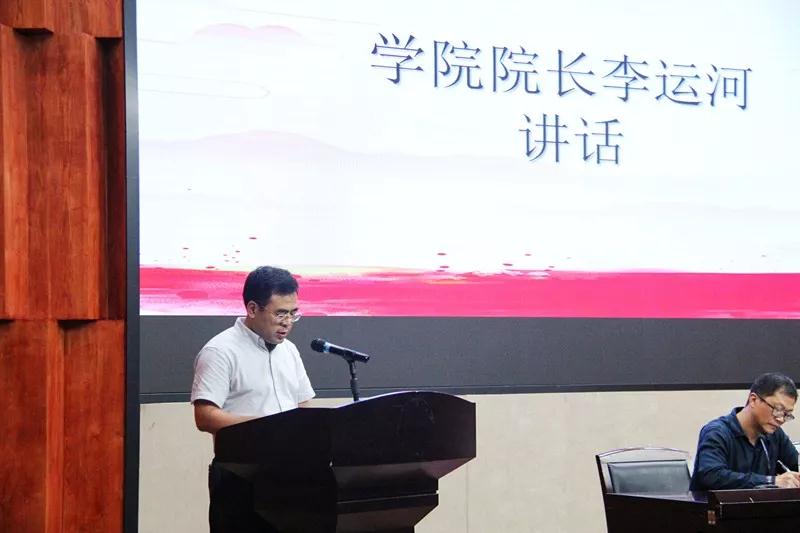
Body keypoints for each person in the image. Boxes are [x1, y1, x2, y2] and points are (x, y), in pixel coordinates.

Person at [191, 265, 315, 531]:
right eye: (280, 313)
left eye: (294, 313)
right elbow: (204, 416)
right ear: (252, 308)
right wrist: (267, 426)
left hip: (290, 475)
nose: (288, 322)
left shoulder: (290, 351)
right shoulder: (220, 351)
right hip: (241, 478)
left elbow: (302, 405)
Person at [690, 372, 800, 490]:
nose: (781, 419)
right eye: (777, 409)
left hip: (760, 502)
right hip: (717, 502)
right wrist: (771, 481)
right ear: (753, 400)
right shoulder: (717, 432)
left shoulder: (775, 434)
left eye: (787, 414)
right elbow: (712, 475)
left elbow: (796, 464)